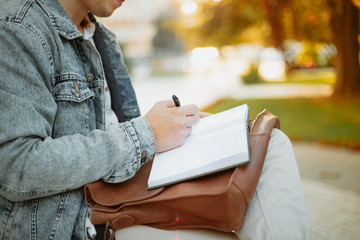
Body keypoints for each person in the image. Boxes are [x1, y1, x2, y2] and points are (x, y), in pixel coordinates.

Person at [0, 0, 312, 239]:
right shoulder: (17, 27)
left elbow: (120, 131)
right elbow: (16, 165)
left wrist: (175, 127)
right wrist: (146, 133)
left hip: (126, 195)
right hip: (81, 224)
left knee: (269, 144)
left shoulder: (102, 38)